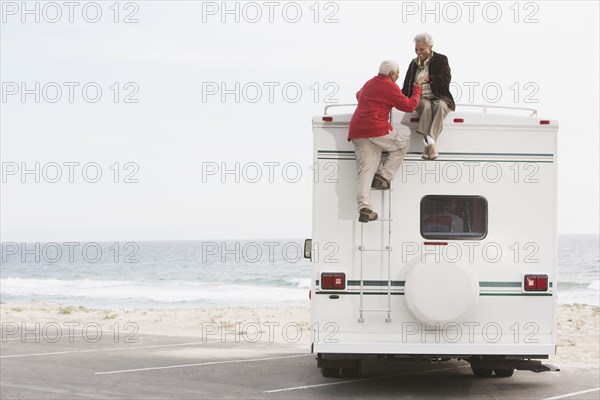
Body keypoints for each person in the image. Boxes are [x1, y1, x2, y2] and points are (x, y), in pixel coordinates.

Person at [348, 60, 422, 223]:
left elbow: (358, 95)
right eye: (397, 73)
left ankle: (365, 208)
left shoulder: (369, 84)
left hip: (357, 131)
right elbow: (409, 106)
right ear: (392, 74)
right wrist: (417, 91)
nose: (398, 76)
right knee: (402, 144)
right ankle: (383, 176)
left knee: (365, 171)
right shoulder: (389, 85)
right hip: (376, 128)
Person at [401, 33, 455, 160]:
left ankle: (429, 140)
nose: (418, 52)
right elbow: (407, 85)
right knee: (425, 105)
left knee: (440, 105)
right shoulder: (413, 63)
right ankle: (431, 143)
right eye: (416, 49)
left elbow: (446, 79)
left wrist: (428, 78)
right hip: (420, 97)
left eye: (421, 49)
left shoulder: (441, 59)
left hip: (439, 96)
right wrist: (396, 95)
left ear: (430, 47)